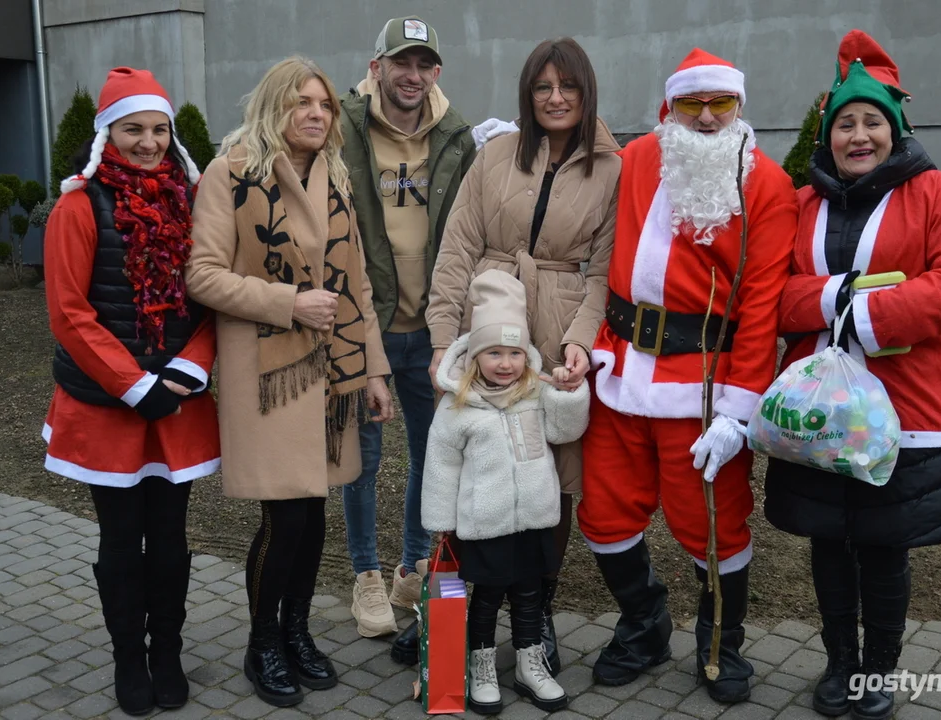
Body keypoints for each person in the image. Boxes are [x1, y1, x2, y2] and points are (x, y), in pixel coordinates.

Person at [763, 30, 941, 720]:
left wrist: (861, 311)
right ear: (827, 134)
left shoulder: (935, 193)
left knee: (883, 548)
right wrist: (834, 297)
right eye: (844, 123)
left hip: (908, 405)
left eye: (871, 122)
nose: (857, 135)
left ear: (893, 130)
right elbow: (773, 294)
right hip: (817, 411)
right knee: (829, 543)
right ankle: (837, 663)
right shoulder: (800, 202)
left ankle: (877, 671)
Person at [577, 49, 798, 703]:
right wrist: (588, 344)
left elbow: (759, 309)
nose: (705, 118)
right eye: (690, 104)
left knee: (712, 524)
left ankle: (718, 643)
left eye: (720, 104)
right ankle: (643, 624)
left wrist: (738, 414)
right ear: (666, 108)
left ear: (739, 109)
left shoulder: (766, 185)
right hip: (617, 374)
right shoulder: (638, 157)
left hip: (702, 387)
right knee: (604, 513)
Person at [185, 57, 394, 708]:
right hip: (266, 369)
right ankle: (263, 644)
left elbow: (356, 281)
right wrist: (287, 302)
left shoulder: (334, 175)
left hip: (331, 369)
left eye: (324, 104)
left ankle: (299, 633)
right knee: (285, 515)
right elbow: (204, 275)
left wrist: (375, 371)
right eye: (300, 102)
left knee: (315, 512)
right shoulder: (232, 173)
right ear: (274, 108)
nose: (315, 113)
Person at [424, 37, 620, 675]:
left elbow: (604, 275)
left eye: (567, 86)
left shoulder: (610, 167)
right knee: (465, 467)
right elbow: (456, 250)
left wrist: (580, 344)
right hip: (488, 321)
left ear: (586, 93)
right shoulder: (497, 154)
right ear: (527, 94)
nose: (555, 98)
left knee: (552, 479)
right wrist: (441, 344)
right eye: (543, 86)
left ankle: (535, 621)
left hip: (557, 326)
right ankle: (458, 624)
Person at [42, 67, 218, 715]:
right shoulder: (76, 206)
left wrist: (187, 370)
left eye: (159, 129)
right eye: (133, 129)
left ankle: (166, 651)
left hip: (175, 403)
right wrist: (135, 384)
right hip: (108, 408)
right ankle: (128, 658)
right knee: (120, 539)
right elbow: (69, 311)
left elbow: (211, 301)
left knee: (170, 537)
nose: (148, 141)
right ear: (107, 133)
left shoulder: (197, 204)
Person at [337, 15, 477, 645]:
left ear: (436, 72)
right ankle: (364, 574)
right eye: (402, 63)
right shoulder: (343, 129)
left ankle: (410, 568)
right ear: (378, 67)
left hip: (431, 326)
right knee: (362, 459)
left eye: (424, 64)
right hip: (364, 322)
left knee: (430, 453)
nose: (413, 75)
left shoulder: (457, 136)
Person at [422, 269, 589, 715]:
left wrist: (569, 393)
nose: (505, 363)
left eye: (514, 353)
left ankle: (529, 663)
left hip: (534, 519)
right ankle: (482, 665)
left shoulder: (536, 394)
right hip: (486, 524)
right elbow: (441, 465)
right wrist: (441, 525)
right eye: (493, 352)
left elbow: (565, 429)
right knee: (489, 595)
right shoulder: (459, 407)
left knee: (530, 593)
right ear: (476, 356)